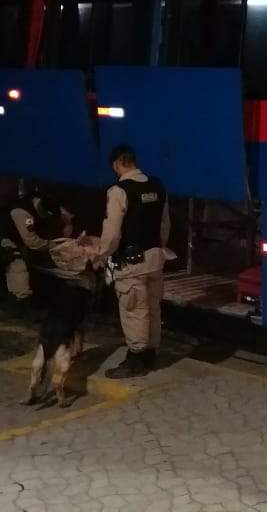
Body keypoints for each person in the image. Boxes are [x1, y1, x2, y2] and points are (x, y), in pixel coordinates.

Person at [98, 145, 169, 379]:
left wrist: (102, 255)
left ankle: (135, 359)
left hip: (132, 263)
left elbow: (112, 233)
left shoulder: (119, 191)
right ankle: (151, 354)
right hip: (155, 258)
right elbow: (164, 225)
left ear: (117, 164)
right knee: (152, 308)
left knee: (134, 310)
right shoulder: (157, 186)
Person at [0, 186, 65, 299]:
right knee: (16, 261)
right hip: (4, 233)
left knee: (36, 256)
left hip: (20, 233)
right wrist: (53, 245)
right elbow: (32, 242)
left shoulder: (43, 201)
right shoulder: (24, 215)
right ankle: (21, 297)